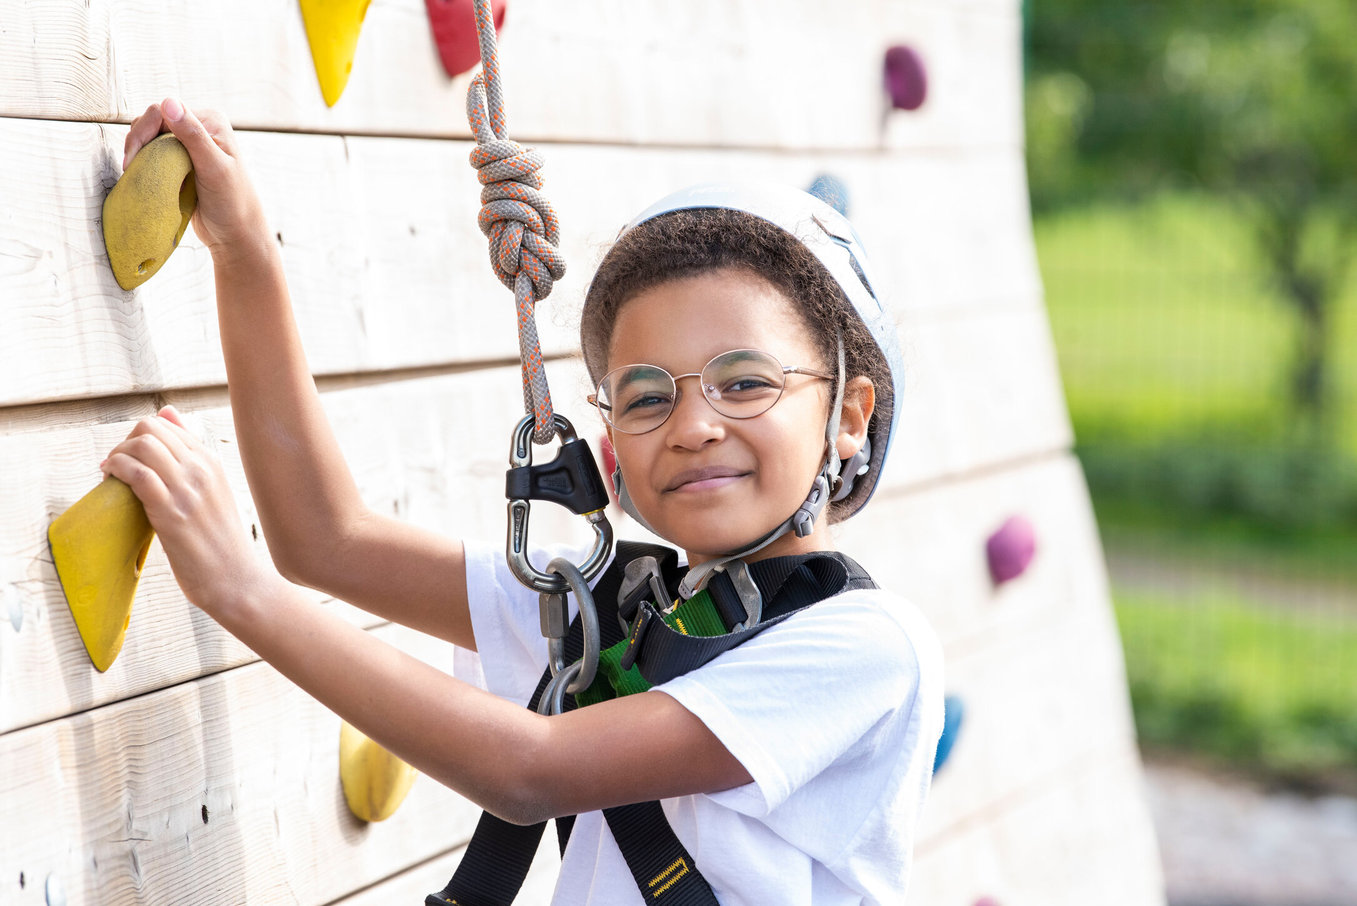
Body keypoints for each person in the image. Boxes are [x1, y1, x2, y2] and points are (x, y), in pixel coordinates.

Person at [103, 98, 944, 905]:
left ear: (849, 417)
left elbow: (531, 770)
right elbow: (326, 541)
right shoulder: (607, 615)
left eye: (746, 382)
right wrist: (242, 250)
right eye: (647, 397)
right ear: (610, 434)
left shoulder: (869, 648)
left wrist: (241, 594)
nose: (693, 427)